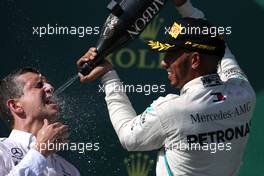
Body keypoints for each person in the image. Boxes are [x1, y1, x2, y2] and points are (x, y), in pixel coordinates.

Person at [77, 0, 256, 175]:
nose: (164, 63)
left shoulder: (171, 111)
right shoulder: (243, 92)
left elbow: (128, 137)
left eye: (171, 54)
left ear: (194, 60)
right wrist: (184, 5)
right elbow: (220, 49)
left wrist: (108, 75)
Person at [0, 67, 80, 175]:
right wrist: (40, 151)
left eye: (47, 84)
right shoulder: (2, 150)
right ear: (15, 106)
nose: (50, 88)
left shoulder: (70, 170)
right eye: (39, 85)